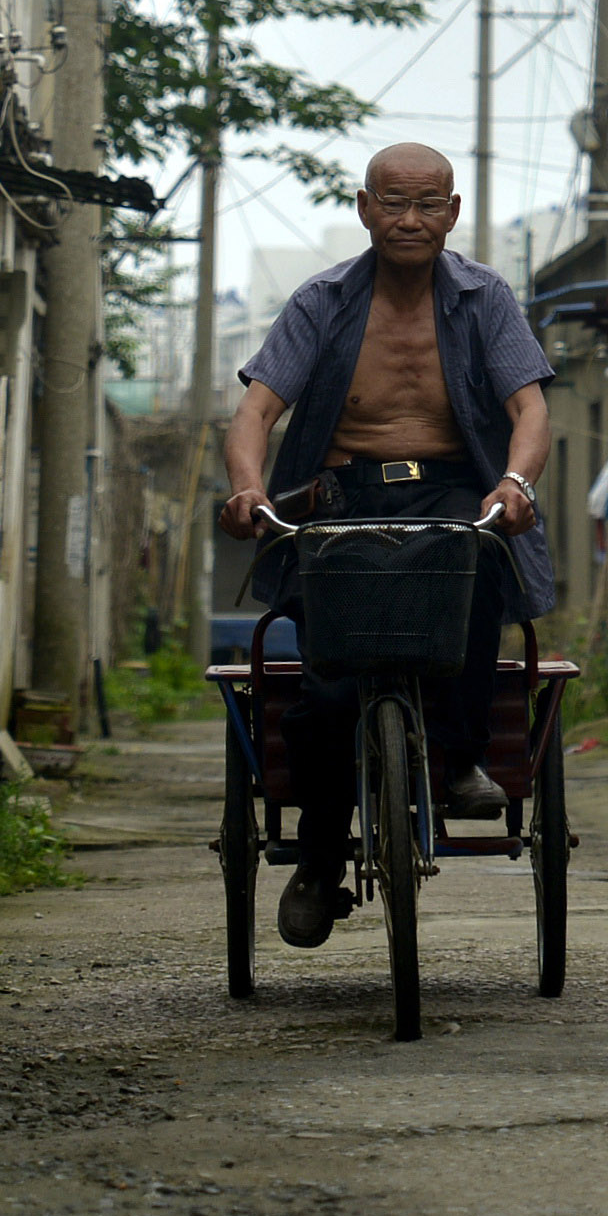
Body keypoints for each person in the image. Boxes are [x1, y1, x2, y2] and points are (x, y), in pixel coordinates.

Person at [220, 142, 554, 949]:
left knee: (477, 578)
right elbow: (256, 412)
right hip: (340, 498)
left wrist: (514, 484)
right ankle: (317, 859)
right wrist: (248, 488)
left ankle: (461, 759)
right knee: (330, 686)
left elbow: (530, 409)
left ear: (452, 211)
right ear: (365, 207)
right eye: (393, 202)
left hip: (449, 489)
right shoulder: (324, 300)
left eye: (428, 203)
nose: (410, 219)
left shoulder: (483, 297)